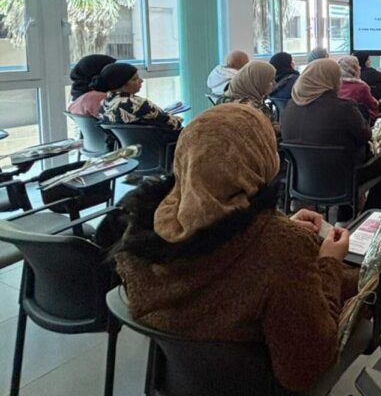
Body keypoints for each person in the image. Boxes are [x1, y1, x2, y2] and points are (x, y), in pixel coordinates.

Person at [111, 104, 358, 393]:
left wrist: (276, 226)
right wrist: (329, 262)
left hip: (181, 383)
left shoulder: (143, 233)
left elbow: (224, 240)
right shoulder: (282, 247)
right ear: (261, 158)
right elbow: (305, 368)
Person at [280, 59, 381, 221]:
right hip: (343, 181)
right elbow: (366, 136)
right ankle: (362, 221)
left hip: (302, 180)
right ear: (331, 80)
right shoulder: (344, 108)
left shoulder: (289, 109)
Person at [94, 63, 182, 131]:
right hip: (159, 144)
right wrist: (178, 119)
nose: (141, 81)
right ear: (121, 84)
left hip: (128, 147)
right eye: (135, 79)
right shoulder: (138, 104)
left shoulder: (105, 103)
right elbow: (172, 124)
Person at [217, 60, 279, 134]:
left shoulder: (224, 99)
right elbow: (272, 133)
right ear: (257, 81)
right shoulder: (252, 109)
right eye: (270, 81)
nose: (274, 84)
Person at [338, 56, 379, 120]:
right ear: (354, 68)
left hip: (339, 119)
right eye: (358, 65)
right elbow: (373, 105)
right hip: (360, 120)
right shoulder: (361, 87)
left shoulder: (335, 86)